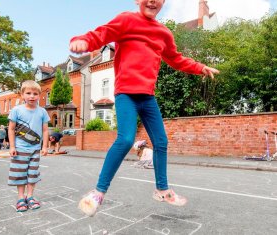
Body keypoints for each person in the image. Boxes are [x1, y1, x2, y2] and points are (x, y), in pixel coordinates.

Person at [70, 0, 219, 216]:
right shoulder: (126, 20)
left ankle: (162, 189)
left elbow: (176, 59)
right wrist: (81, 40)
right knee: (126, 139)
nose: (152, 1)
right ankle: (98, 192)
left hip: (148, 97)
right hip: (126, 94)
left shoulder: (163, 33)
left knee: (161, 142)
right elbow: (100, 35)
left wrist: (200, 67)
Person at [8, 80, 50, 212]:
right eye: (28, 93)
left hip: (35, 149)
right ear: (22, 95)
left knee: (32, 174)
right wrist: (12, 146)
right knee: (20, 174)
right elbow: (11, 129)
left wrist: (44, 147)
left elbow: (45, 130)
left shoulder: (42, 111)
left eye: (35, 93)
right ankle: (21, 198)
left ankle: (30, 197)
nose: (32, 96)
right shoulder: (16, 110)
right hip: (20, 149)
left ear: (39, 95)